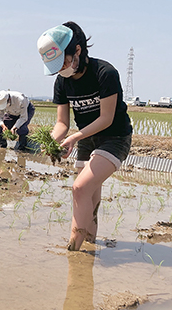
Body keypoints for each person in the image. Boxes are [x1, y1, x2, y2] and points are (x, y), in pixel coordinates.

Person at [37, 21, 132, 251]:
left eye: (66, 62)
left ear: (77, 50)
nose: (63, 69)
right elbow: (62, 123)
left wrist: (74, 138)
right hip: (87, 139)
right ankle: (88, 249)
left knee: (79, 188)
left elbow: (106, 118)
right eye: (58, 66)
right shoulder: (62, 82)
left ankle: (73, 250)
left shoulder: (104, 73)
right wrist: (53, 140)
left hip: (114, 136)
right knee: (88, 194)